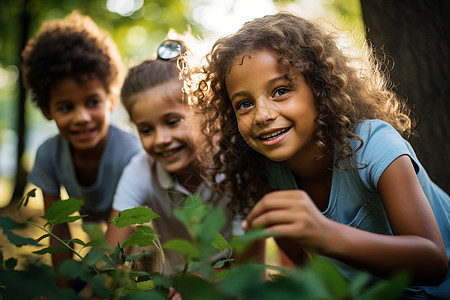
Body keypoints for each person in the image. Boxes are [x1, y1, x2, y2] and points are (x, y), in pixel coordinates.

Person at [192, 12, 450, 299]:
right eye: (244, 104)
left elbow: (434, 262)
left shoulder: (374, 145)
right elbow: (307, 277)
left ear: (318, 88)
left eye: (280, 91)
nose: (262, 115)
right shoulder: (269, 172)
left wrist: (326, 235)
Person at [21, 11, 142, 282]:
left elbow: (126, 229)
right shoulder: (48, 155)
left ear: (111, 99)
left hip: (139, 240)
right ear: (46, 110)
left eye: (92, 102)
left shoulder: (132, 154)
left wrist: (99, 285)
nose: (82, 118)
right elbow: (58, 231)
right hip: (99, 239)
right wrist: (64, 288)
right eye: (66, 107)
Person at [104, 39, 237, 279]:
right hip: (171, 283)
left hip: (228, 281)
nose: (160, 139)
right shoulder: (141, 170)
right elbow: (108, 255)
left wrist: (199, 284)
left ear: (205, 111)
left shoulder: (235, 165)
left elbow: (251, 266)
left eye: (172, 122)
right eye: (146, 129)